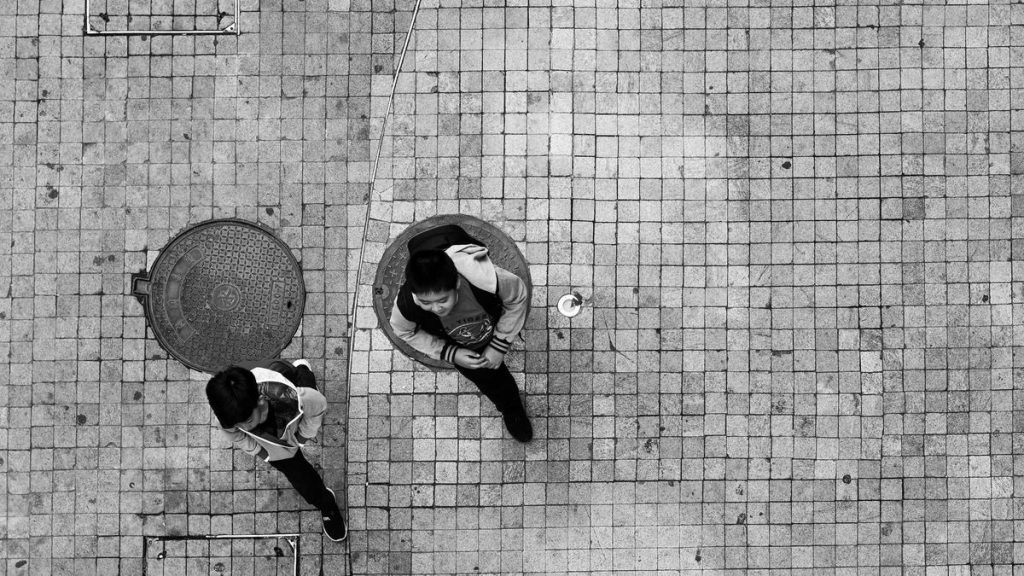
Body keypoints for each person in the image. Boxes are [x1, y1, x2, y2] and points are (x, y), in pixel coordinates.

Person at [389, 225, 533, 442]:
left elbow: (518, 296)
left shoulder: (487, 279)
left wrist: (499, 344)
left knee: (498, 379)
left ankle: (513, 407)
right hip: (462, 348)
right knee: (493, 383)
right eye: (425, 302)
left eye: (442, 300)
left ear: (456, 284)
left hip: (487, 330)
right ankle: (510, 408)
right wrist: (450, 353)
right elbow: (403, 330)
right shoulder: (407, 304)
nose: (436, 308)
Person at [206, 359, 347, 541]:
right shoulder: (228, 414)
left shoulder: (293, 396)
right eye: (237, 424)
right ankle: (326, 504)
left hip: (289, 397)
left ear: (261, 402)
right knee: (303, 480)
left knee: (305, 383)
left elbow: (318, 405)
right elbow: (232, 433)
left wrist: (303, 436)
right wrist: (260, 451)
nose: (244, 428)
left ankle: (302, 369)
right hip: (276, 449)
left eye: (247, 421)